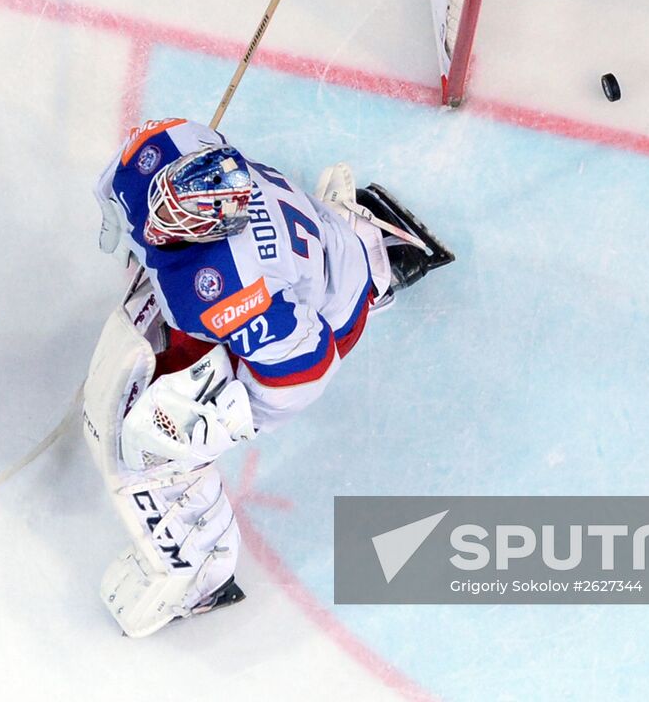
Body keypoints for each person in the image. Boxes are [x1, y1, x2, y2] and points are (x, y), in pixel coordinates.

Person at [84, 117, 452, 636]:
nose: (156, 226)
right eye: (164, 206)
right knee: (174, 339)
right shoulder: (172, 146)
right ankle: (358, 237)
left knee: (156, 448)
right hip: (312, 248)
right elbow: (122, 177)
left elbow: (306, 366)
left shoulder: (233, 288)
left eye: (176, 221)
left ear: (214, 227)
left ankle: (201, 576)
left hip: (324, 315)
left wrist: (237, 417)